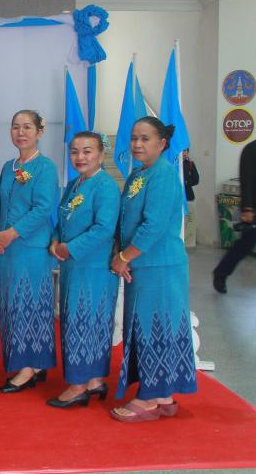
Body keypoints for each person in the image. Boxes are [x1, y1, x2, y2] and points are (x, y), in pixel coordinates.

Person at [110, 116, 197, 422]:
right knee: (147, 328)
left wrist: (124, 257)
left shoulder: (163, 175)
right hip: (142, 265)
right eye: (134, 138)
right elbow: (126, 220)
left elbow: (153, 226)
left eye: (145, 139)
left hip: (160, 267)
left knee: (155, 329)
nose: (137, 144)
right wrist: (121, 254)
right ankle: (163, 396)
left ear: (162, 143)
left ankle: (149, 399)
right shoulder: (138, 174)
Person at [47, 132, 120, 408]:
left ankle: (78, 385)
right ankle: (94, 380)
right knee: (82, 321)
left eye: (87, 151)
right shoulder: (74, 184)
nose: (80, 157)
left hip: (94, 267)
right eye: (75, 151)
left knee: (86, 322)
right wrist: (55, 240)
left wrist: (70, 248)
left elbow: (104, 228)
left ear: (101, 154)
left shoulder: (106, 186)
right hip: (73, 265)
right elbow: (61, 220)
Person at [0, 110, 59, 393]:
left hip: (30, 249)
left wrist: (11, 233)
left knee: (30, 305)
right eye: (16, 127)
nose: (21, 132)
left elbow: (43, 209)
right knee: (12, 306)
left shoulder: (46, 167)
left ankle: (29, 367)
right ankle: (35, 363)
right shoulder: (8, 167)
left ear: (40, 131)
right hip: (5, 250)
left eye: (27, 127)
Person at [213, 111, 256, 293]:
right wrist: (247, 208)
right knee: (245, 246)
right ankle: (221, 273)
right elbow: (247, 181)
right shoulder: (252, 149)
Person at [182, 149, 200, 246]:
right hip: (177, 195)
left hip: (188, 195)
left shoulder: (190, 164)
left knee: (188, 219)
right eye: (182, 150)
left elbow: (196, 179)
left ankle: (188, 241)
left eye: (185, 150)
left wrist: (186, 182)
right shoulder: (174, 163)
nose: (184, 152)